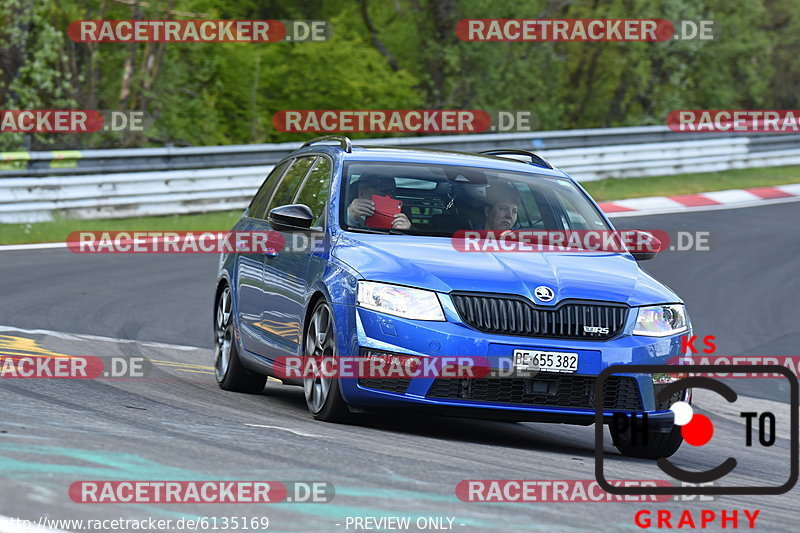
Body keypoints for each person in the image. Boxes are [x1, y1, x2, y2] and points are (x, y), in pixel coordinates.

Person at [346, 175, 411, 230]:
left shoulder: (400, 219)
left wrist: (405, 231)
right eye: (382, 190)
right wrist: (350, 215)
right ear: (362, 192)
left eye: (391, 192)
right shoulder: (341, 213)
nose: (388, 196)